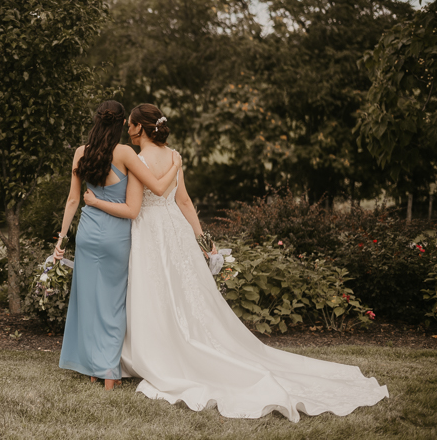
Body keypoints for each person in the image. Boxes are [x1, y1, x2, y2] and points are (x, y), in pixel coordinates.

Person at [83, 103, 388, 422]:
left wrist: (97, 203)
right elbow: (182, 200)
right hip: (176, 231)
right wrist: (201, 237)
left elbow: (144, 201)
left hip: (150, 231)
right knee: (184, 293)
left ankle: (154, 354)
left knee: (152, 292)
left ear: (140, 128)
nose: (128, 130)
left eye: (131, 125)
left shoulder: (137, 161)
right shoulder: (174, 155)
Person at [55, 100, 181, 390]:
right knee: (112, 305)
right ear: (123, 123)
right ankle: (109, 374)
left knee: (88, 301)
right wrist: (175, 165)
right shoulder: (125, 153)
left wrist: (61, 239)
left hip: (87, 232)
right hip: (116, 235)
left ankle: (91, 370)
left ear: (96, 120)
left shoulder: (80, 153)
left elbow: (73, 200)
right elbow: (159, 188)